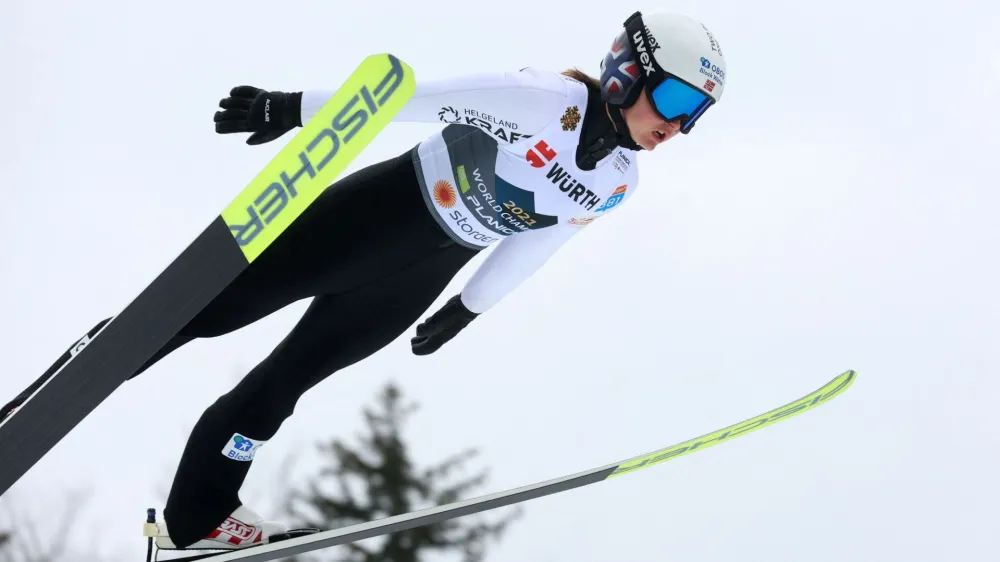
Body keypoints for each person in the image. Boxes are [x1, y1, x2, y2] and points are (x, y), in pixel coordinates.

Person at [2, 10, 727, 550]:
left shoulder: (619, 181)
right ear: (627, 71)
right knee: (206, 311)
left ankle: (198, 515)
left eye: (693, 115)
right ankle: (48, 396)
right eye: (673, 102)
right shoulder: (542, 100)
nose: (677, 127)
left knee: (286, 384)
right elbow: (413, 96)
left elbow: (542, 241)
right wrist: (292, 107)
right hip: (375, 215)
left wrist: (467, 308)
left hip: (419, 275)